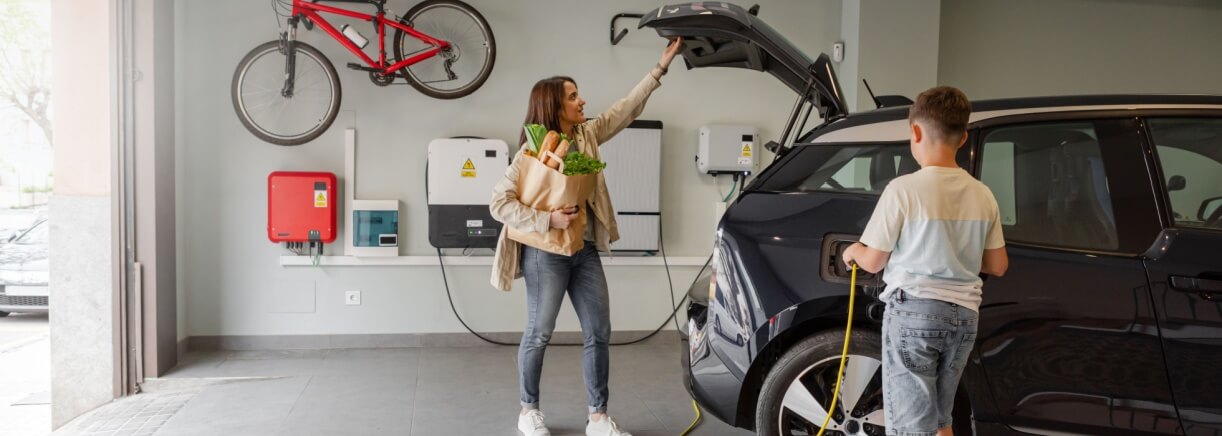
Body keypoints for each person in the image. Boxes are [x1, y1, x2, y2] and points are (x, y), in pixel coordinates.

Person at [489, 38, 685, 436]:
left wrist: (660, 68)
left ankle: (598, 417)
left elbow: (625, 109)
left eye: (579, 95)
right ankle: (528, 411)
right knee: (539, 334)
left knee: (599, 331)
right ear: (554, 106)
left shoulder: (588, 135)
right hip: (545, 253)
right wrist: (547, 218)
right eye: (573, 96)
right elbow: (498, 204)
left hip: (585, 249)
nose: (582, 101)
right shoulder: (529, 153)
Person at [841, 86, 1009, 436]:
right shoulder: (983, 195)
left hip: (915, 314)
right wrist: (956, 249)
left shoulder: (902, 190)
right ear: (963, 137)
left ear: (915, 132)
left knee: (910, 428)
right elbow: (997, 265)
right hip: (964, 319)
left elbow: (873, 261)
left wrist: (853, 251)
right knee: (940, 420)